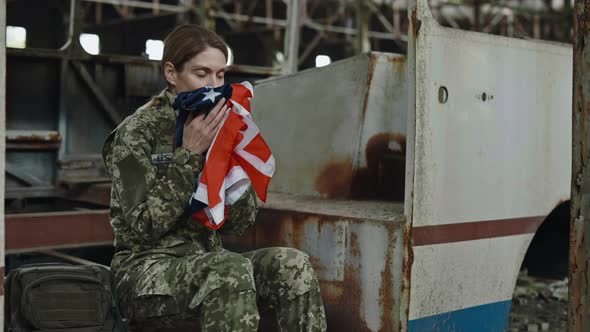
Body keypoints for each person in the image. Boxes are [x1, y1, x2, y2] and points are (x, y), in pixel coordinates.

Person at [102, 24, 327, 331]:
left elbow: (240, 222)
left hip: (206, 261)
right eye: (202, 73)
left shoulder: (221, 122)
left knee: (292, 264)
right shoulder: (137, 132)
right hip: (144, 271)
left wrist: (229, 168)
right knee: (227, 269)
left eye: (220, 75)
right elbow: (144, 228)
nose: (213, 85)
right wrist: (190, 155)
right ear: (171, 73)